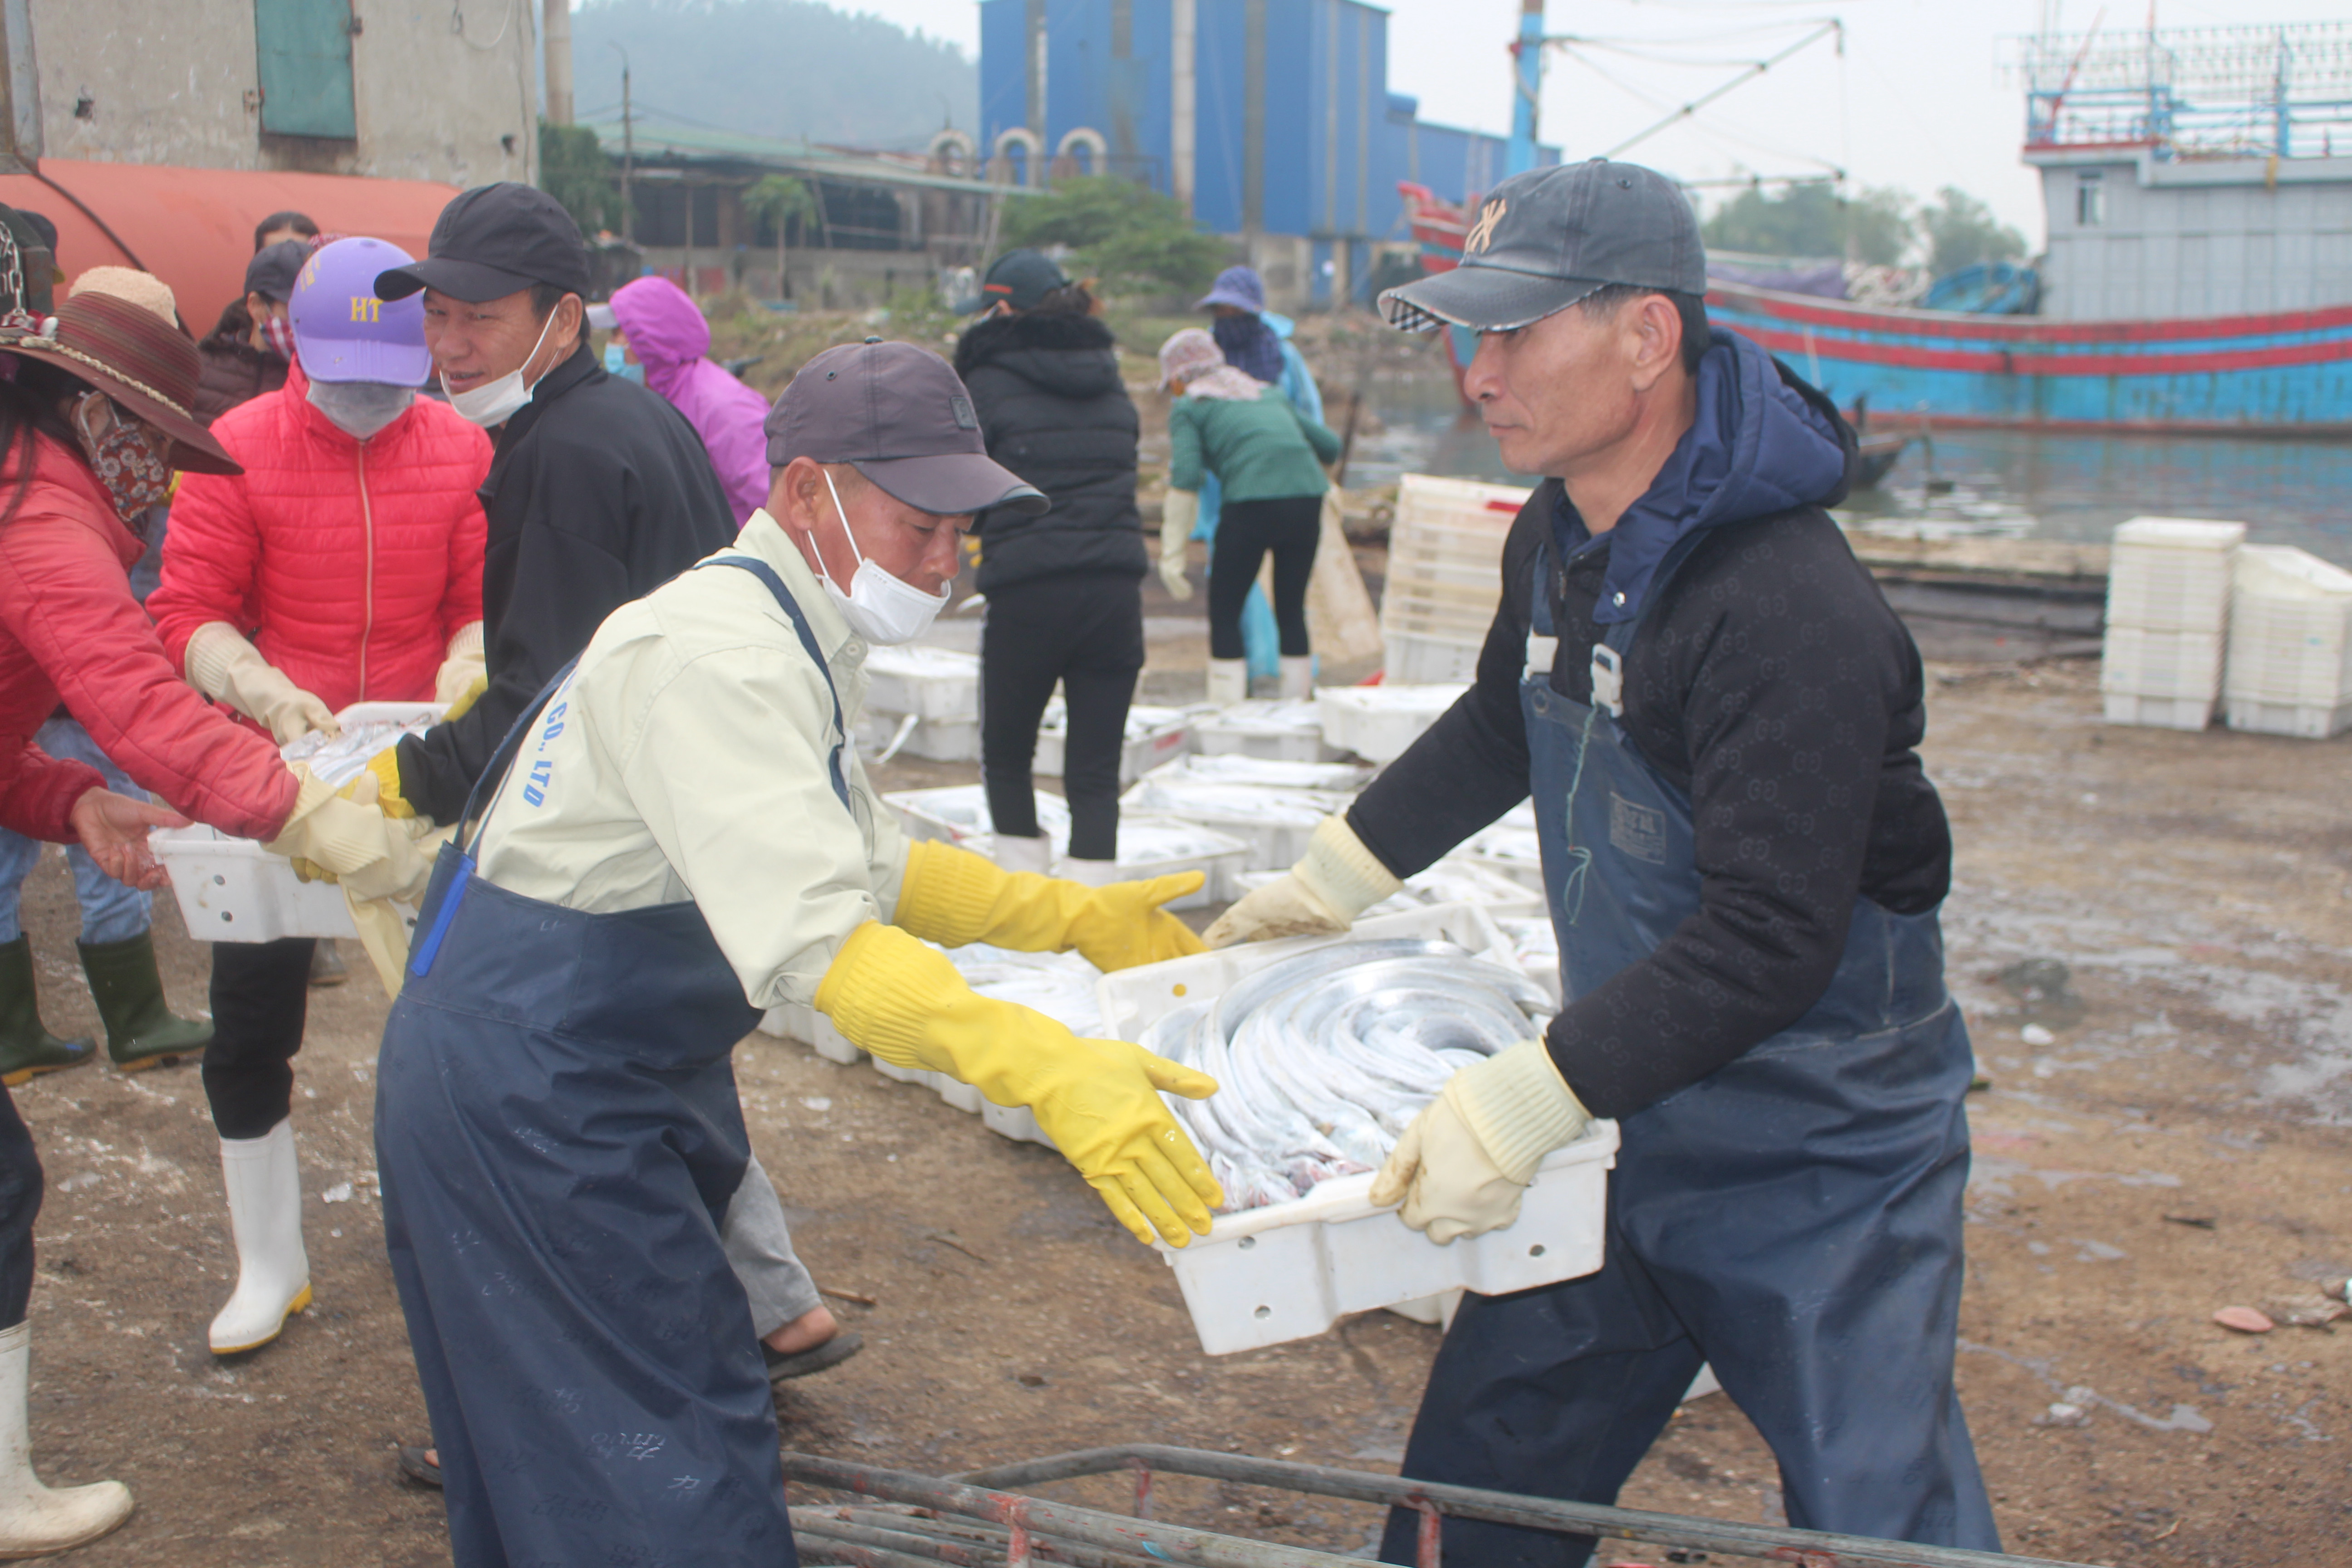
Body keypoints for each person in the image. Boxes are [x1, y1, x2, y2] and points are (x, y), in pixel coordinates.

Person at [1207, 159, 1999, 1563]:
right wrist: (1333, 878)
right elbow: (1503, 724)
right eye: (1471, 335)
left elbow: (1770, 938)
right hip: (1627, 1105)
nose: (1478, 375)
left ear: (1645, 338)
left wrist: (1532, 1091)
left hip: (1821, 1149)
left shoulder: (1781, 604)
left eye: (1514, 333)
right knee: (1482, 1482)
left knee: (1883, 1517)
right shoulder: (1569, 531)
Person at [375, 337, 1222, 1565]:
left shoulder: (781, 620)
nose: (948, 560)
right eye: (922, 521)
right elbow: (819, 950)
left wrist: (1068, 919)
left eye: (963, 527)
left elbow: (864, 854)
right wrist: (1039, 1061)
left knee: (623, 1421)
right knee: (645, 1459)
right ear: (808, 490)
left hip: (599, 1056)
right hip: (529, 1081)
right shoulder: (716, 656)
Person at [361, 185, 854, 1481]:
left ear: (561, 319)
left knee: (558, 1151)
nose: (451, 346)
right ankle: (746, 1331)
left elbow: (546, 691)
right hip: (678, 832)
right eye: (440, 320)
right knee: (667, 1092)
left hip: (607, 853)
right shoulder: (635, 418)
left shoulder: (560, 457)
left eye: (481, 318)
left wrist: (411, 777)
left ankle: (617, 1416)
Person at [0, 238, 424, 1556]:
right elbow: (137, 700)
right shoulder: (46, 522)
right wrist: (312, 812)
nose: (157, 482)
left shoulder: (33, 492)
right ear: (96, 416)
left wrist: (66, 803)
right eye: (149, 449)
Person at [146, 235, 490, 1357]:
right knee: (252, 1016)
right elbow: (184, 606)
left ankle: (477, 1242)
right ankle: (269, 1258)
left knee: (456, 1012)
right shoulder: (232, 447)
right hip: (281, 775)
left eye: (381, 387)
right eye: (339, 382)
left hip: (416, 768)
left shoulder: (459, 448)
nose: (360, 406)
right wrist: (258, 686)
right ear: (292, 344)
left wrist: (464, 676)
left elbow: (480, 598)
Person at [952, 250, 1147, 877]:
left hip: (1029, 593)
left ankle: (1027, 912)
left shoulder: (985, 379)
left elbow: (968, 488)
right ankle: (1093, 924)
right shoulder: (1106, 372)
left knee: (1007, 756)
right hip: (1116, 595)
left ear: (1002, 308)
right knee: (1095, 772)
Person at [1156, 328, 1338, 706]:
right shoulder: (1267, 393)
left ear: (1179, 377)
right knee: (1292, 608)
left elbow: (1186, 476)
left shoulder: (1190, 406)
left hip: (1251, 504)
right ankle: (1298, 704)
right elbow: (1329, 446)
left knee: (1225, 610)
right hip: (1307, 500)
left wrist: (1172, 552)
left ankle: (1228, 708)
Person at [1188, 265, 1323, 688]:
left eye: (1235, 309)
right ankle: (1241, 678)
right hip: (1226, 489)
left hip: (1283, 482)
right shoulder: (1208, 359)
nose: (1227, 318)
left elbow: (1310, 415)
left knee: (1288, 599)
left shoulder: (1283, 357)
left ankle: (1283, 681)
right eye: (1220, 310)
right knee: (1231, 590)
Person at [589, 275, 772, 523]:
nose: (610, 347)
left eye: (617, 334)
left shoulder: (723, 409)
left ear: (649, 341)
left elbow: (778, 503)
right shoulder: (655, 398)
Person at [195, 239, 308, 426]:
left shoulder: (321, 386)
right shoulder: (201, 370)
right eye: (294, 309)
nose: (304, 320)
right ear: (255, 306)